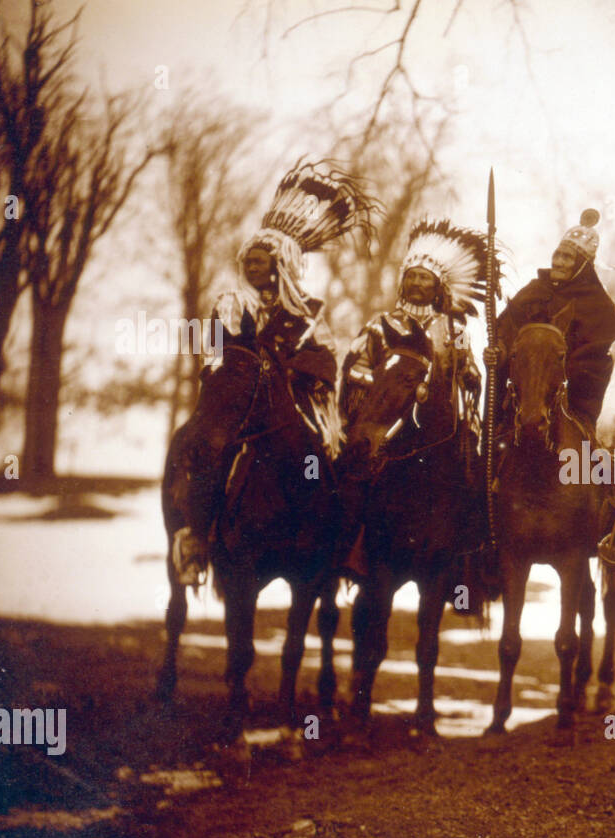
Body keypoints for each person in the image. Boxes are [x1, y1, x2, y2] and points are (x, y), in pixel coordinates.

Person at [170, 161, 375, 586]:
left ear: (282, 265)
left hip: (294, 407)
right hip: (236, 407)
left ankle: (334, 546)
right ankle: (198, 539)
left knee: (322, 460)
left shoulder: (310, 314)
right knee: (210, 454)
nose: (254, 267)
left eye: (263, 261)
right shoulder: (232, 304)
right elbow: (215, 352)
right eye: (250, 260)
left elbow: (325, 359)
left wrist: (292, 372)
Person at [338, 218, 496, 579]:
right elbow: (355, 369)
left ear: (438, 286)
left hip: (439, 428)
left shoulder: (453, 328)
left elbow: (470, 377)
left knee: (472, 477)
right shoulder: (381, 325)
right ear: (403, 282)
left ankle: (468, 565)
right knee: (351, 479)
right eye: (412, 275)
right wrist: (377, 389)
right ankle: (348, 552)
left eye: (425, 277)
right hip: (386, 424)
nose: (417, 282)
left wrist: (471, 370)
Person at [493, 209, 615, 428]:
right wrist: (499, 349)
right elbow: (506, 329)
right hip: (523, 396)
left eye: (567, 258)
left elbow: (605, 359)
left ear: (583, 265)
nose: (559, 262)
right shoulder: (533, 291)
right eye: (557, 255)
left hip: (575, 404)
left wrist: (563, 371)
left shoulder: (601, 307)